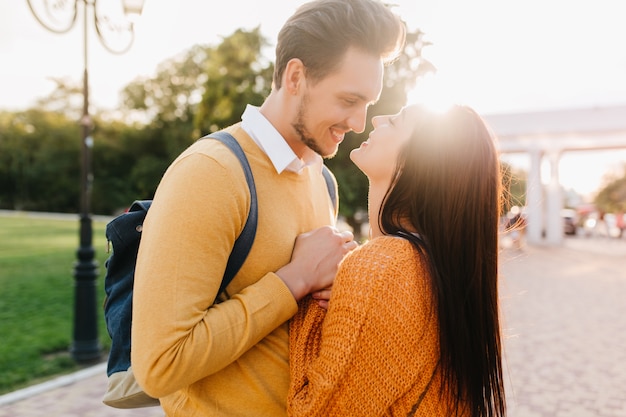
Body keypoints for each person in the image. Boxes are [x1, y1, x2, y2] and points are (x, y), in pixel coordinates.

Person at [130, 0, 406, 416]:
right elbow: (160, 364)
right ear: (296, 76)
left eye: (368, 103)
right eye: (349, 100)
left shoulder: (323, 180)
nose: (360, 123)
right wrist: (293, 279)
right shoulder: (211, 173)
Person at [288, 104, 507, 416]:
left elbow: (312, 412)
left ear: (414, 164)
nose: (376, 119)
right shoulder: (429, 266)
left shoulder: (382, 269)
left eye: (395, 120)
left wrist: (308, 283)